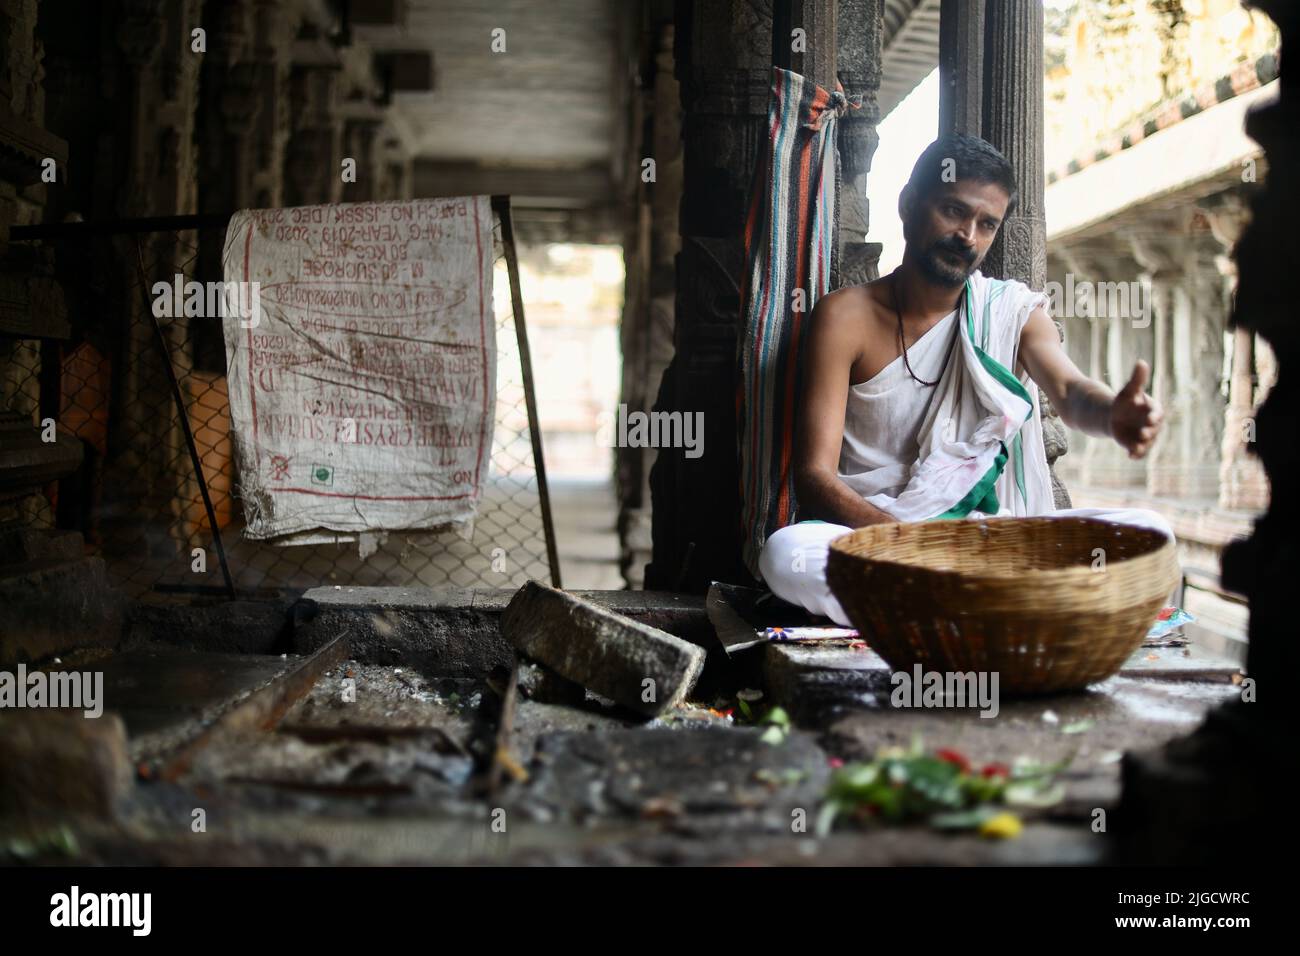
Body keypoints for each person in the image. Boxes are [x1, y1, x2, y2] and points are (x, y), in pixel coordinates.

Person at [758, 134, 1172, 626]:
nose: (968, 236)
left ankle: (949, 604)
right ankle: (1001, 607)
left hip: (986, 541)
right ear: (909, 205)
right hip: (880, 541)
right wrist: (903, 540)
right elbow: (814, 475)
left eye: (986, 224)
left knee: (1149, 532)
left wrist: (1110, 415)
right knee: (787, 554)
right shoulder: (844, 317)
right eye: (954, 211)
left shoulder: (1011, 312)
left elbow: (1070, 391)